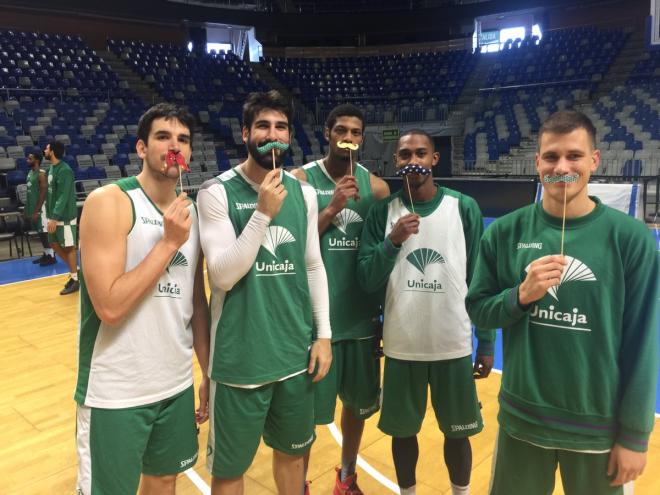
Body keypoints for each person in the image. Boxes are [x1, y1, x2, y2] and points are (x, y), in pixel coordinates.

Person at [466, 109, 659, 495]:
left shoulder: (631, 239)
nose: (562, 167)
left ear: (594, 161)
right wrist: (520, 296)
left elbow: (643, 342)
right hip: (523, 421)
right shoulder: (505, 233)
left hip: (597, 428)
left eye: (574, 156)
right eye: (551, 157)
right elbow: (479, 308)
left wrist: (635, 436)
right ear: (537, 163)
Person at [197, 90, 332, 495]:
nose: (272, 134)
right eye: (262, 126)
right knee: (230, 471)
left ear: (289, 136)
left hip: (294, 354)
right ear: (245, 133)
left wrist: (323, 334)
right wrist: (262, 214)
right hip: (240, 361)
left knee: (292, 458)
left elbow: (312, 264)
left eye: (280, 127)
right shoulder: (215, 192)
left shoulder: (304, 193)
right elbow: (221, 276)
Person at [74, 103, 210, 495]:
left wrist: (206, 370)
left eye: (183, 140)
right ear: (141, 148)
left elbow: (195, 301)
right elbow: (111, 307)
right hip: (115, 388)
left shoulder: (192, 214)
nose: (175, 147)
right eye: (163, 137)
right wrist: (168, 243)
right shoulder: (109, 202)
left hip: (174, 382)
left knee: (164, 481)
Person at [357, 129, 494, 495]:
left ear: (435, 159)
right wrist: (392, 241)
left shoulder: (463, 207)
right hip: (403, 347)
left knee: (458, 433)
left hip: (453, 345)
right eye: (404, 155)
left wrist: (487, 342)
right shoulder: (382, 213)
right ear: (395, 162)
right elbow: (367, 279)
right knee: (404, 433)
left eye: (421, 153)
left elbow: (480, 279)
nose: (412, 160)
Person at [292, 103, 390, 494]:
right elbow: (293, 246)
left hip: (361, 319)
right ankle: (296, 482)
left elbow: (381, 256)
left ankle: (346, 474)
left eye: (355, 132)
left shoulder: (378, 189)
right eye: (341, 131)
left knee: (357, 407)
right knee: (305, 417)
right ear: (327, 133)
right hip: (314, 323)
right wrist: (332, 206)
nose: (348, 138)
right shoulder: (300, 179)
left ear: (362, 139)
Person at [44, 140, 79, 293]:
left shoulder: (65, 170)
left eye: (46, 148)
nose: (44, 150)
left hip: (64, 217)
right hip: (53, 215)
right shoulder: (51, 168)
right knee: (53, 243)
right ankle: (76, 272)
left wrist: (55, 216)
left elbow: (63, 196)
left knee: (69, 247)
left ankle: (75, 278)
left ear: (52, 151)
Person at [25, 150, 56, 265]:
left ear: (37, 160)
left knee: (44, 232)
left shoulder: (41, 174)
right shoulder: (30, 173)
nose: (27, 160)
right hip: (33, 208)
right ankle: (46, 253)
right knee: (40, 232)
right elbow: (30, 193)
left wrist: (36, 211)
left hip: (41, 209)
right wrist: (27, 209)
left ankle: (52, 256)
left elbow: (43, 194)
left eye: (30, 158)